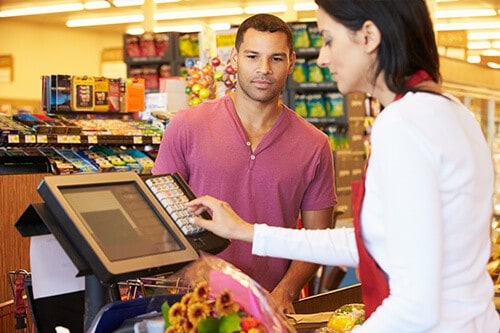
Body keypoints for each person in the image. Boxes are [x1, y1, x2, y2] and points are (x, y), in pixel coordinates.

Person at [186, 1, 500, 332]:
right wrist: (245, 231)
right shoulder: (449, 110)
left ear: (368, 36)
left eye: (328, 39)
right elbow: (374, 241)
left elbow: (416, 308)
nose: (322, 57)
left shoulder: (403, 123)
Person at [152, 13, 336, 313]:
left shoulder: (314, 144)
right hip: (196, 306)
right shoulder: (186, 126)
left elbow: (317, 240)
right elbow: (158, 216)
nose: (264, 69)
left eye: (276, 58)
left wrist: (285, 292)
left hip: (271, 308)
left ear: (291, 62)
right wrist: (187, 270)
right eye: (253, 56)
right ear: (235, 58)